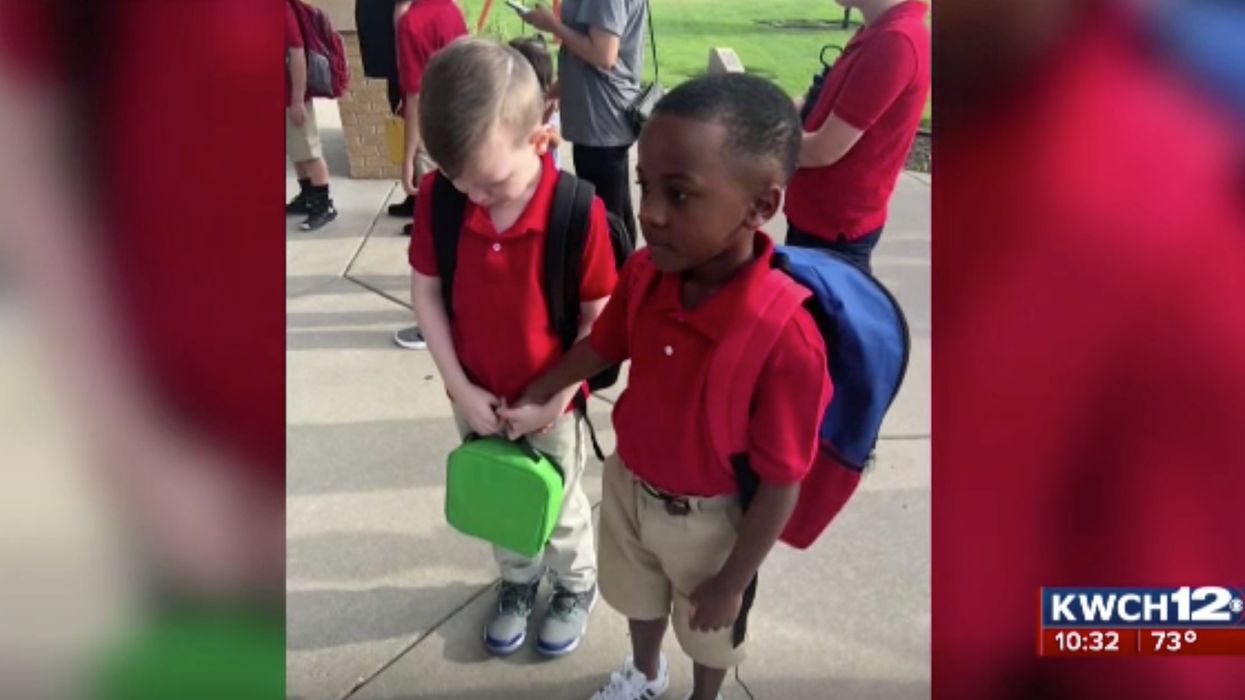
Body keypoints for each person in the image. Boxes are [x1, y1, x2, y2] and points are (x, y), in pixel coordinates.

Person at [513, 74, 831, 700]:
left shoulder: (785, 337)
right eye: (645, 187)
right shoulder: (646, 274)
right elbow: (604, 347)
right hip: (630, 486)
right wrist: (539, 388)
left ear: (760, 207)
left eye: (679, 194)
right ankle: (645, 671)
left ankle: (703, 693)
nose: (651, 213)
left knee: (710, 632)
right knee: (638, 597)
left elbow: (781, 483)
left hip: (711, 524)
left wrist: (733, 581)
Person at [410, 38, 618, 657]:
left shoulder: (576, 211)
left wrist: (555, 399)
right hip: (475, 396)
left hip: (551, 402)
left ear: (541, 138)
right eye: (459, 181)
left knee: (559, 504)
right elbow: (426, 293)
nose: (475, 197)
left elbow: (598, 321)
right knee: (501, 498)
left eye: (491, 184)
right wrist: (460, 388)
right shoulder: (443, 200)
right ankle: (519, 579)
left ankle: (575, 583)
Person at [784, 0, 930, 273]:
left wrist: (752, 140)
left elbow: (821, 151)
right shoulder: (877, 30)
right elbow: (815, 97)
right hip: (817, 215)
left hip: (833, 228)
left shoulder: (895, 41)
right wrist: (758, 111)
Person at [519, 0, 648, 245]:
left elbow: (603, 55)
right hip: (600, 117)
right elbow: (584, 59)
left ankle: (616, 266)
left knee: (606, 218)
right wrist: (551, 94)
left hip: (601, 118)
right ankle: (626, 264)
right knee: (615, 209)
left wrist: (552, 25)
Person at [390, 0, 468, 350]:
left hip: (433, 136)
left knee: (438, 238)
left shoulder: (412, 22)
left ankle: (441, 320)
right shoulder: (449, 8)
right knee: (458, 229)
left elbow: (416, 96)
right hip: (462, 129)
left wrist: (407, 158)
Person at [286, 0, 338, 231]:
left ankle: (323, 205)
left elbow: (297, 53)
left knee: (309, 150)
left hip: (292, 97)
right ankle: (307, 196)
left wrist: (297, 99)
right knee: (296, 149)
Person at [508, 35, 563, 170]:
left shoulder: (548, 101)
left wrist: (541, 124)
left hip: (544, 170)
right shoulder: (511, 100)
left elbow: (555, 141)